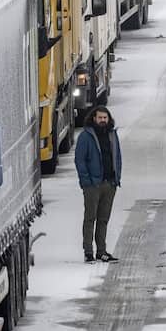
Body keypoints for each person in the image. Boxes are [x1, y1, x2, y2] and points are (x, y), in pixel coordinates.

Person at [74, 105, 122, 263]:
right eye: (100, 117)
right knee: (90, 218)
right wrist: (86, 181)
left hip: (109, 184)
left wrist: (116, 179)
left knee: (103, 219)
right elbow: (80, 160)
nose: (103, 120)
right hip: (92, 186)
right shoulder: (85, 137)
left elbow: (118, 157)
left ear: (109, 119)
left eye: (105, 118)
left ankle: (101, 251)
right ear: (94, 119)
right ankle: (88, 251)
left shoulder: (112, 135)